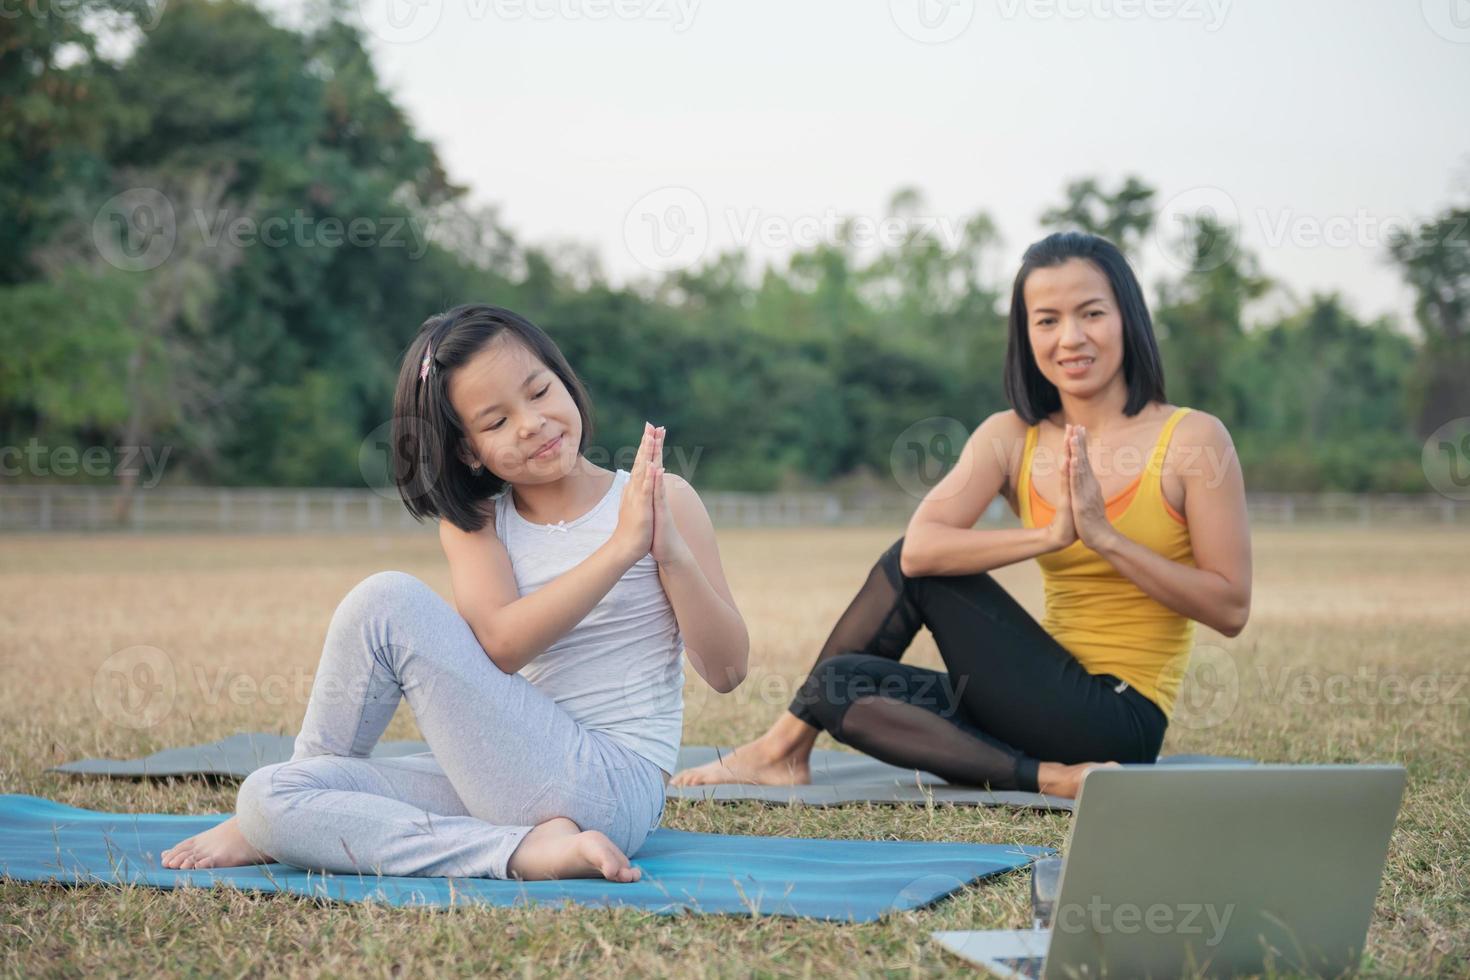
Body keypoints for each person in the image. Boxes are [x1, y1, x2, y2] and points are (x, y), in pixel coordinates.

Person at [162, 304, 748, 880]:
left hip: (612, 789)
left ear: (565, 382)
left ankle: (322, 826)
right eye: (495, 423)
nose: (531, 424)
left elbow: (726, 671)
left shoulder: (661, 499)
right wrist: (621, 548)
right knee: (268, 795)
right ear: (469, 450)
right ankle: (516, 851)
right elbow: (502, 643)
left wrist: (663, 550)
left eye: (540, 392)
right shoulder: (479, 521)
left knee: (390, 599)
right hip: (505, 776)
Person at [672, 231, 1251, 800]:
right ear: (1026, 335)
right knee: (836, 684)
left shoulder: (1192, 439)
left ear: (1128, 317)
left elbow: (1230, 608)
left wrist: (1105, 538)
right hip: (1033, 699)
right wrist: (1048, 535)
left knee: (917, 571)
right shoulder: (1012, 437)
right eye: (1047, 320)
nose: (1070, 338)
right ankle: (1046, 776)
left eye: (1091, 313)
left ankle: (781, 748)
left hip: (1119, 717)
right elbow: (921, 549)